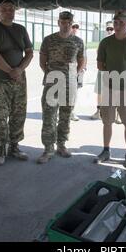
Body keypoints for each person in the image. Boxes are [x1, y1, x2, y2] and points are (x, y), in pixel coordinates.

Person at [0, 0, 34, 166]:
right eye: (4, 9)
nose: (8, 11)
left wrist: (19, 70)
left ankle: (14, 146)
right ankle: (0, 149)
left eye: (11, 9)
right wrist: (10, 71)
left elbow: (29, 53)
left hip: (19, 79)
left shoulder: (20, 29)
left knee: (18, 113)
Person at [94, 11, 126, 170]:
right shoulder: (105, 43)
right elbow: (100, 64)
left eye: (121, 23)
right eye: (115, 22)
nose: (117, 26)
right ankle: (106, 151)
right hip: (109, 88)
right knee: (107, 121)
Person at [37, 12, 85, 164]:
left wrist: (74, 75)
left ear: (72, 23)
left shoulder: (78, 41)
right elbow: (42, 61)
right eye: (63, 22)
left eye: (69, 22)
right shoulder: (49, 40)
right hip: (52, 82)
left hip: (69, 84)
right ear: (58, 23)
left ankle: (61, 145)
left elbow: (82, 60)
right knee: (49, 116)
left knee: (65, 116)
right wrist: (51, 75)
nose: (66, 24)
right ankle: (48, 149)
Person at [90, 21, 122, 124]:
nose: (109, 31)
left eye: (111, 29)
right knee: (99, 91)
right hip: (103, 70)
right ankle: (99, 111)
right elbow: (98, 54)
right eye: (108, 29)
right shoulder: (103, 41)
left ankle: (117, 114)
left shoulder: (119, 41)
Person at [69, 21, 84, 122]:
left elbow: (83, 56)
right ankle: (60, 112)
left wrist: (81, 69)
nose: (75, 28)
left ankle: (71, 112)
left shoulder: (80, 41)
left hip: (77, 71)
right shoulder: (64, 38)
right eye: (73, 26)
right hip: (66, 72)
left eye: (76, 27)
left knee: (74, 92)